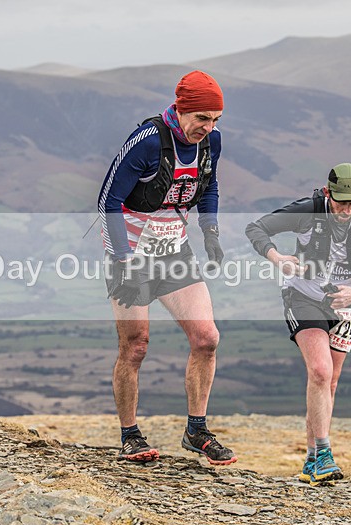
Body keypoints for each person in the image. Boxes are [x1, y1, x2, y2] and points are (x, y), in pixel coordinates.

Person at [97, 70, 236, 465]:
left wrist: (210, 231)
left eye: (216, 119)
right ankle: (130, 436)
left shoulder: (211, 142)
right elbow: (108, 201)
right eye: (202, 118)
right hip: (130, 254)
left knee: (207, 338)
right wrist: (123, 261)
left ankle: (196, 431)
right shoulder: (147, 141)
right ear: (181, 109)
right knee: (135, 345)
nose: (208, 128)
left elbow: (209, 186)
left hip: (174, 252)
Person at [245, 163, 351, 485]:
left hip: (346, 302)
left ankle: (313, 460)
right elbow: (256, 228)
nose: (348, 210)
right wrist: (277, 258)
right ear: (328, 193)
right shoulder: (307, 211)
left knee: (329, 382)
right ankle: (326, 454)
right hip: (303, 296)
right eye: (341, 202)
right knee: (319, 370)